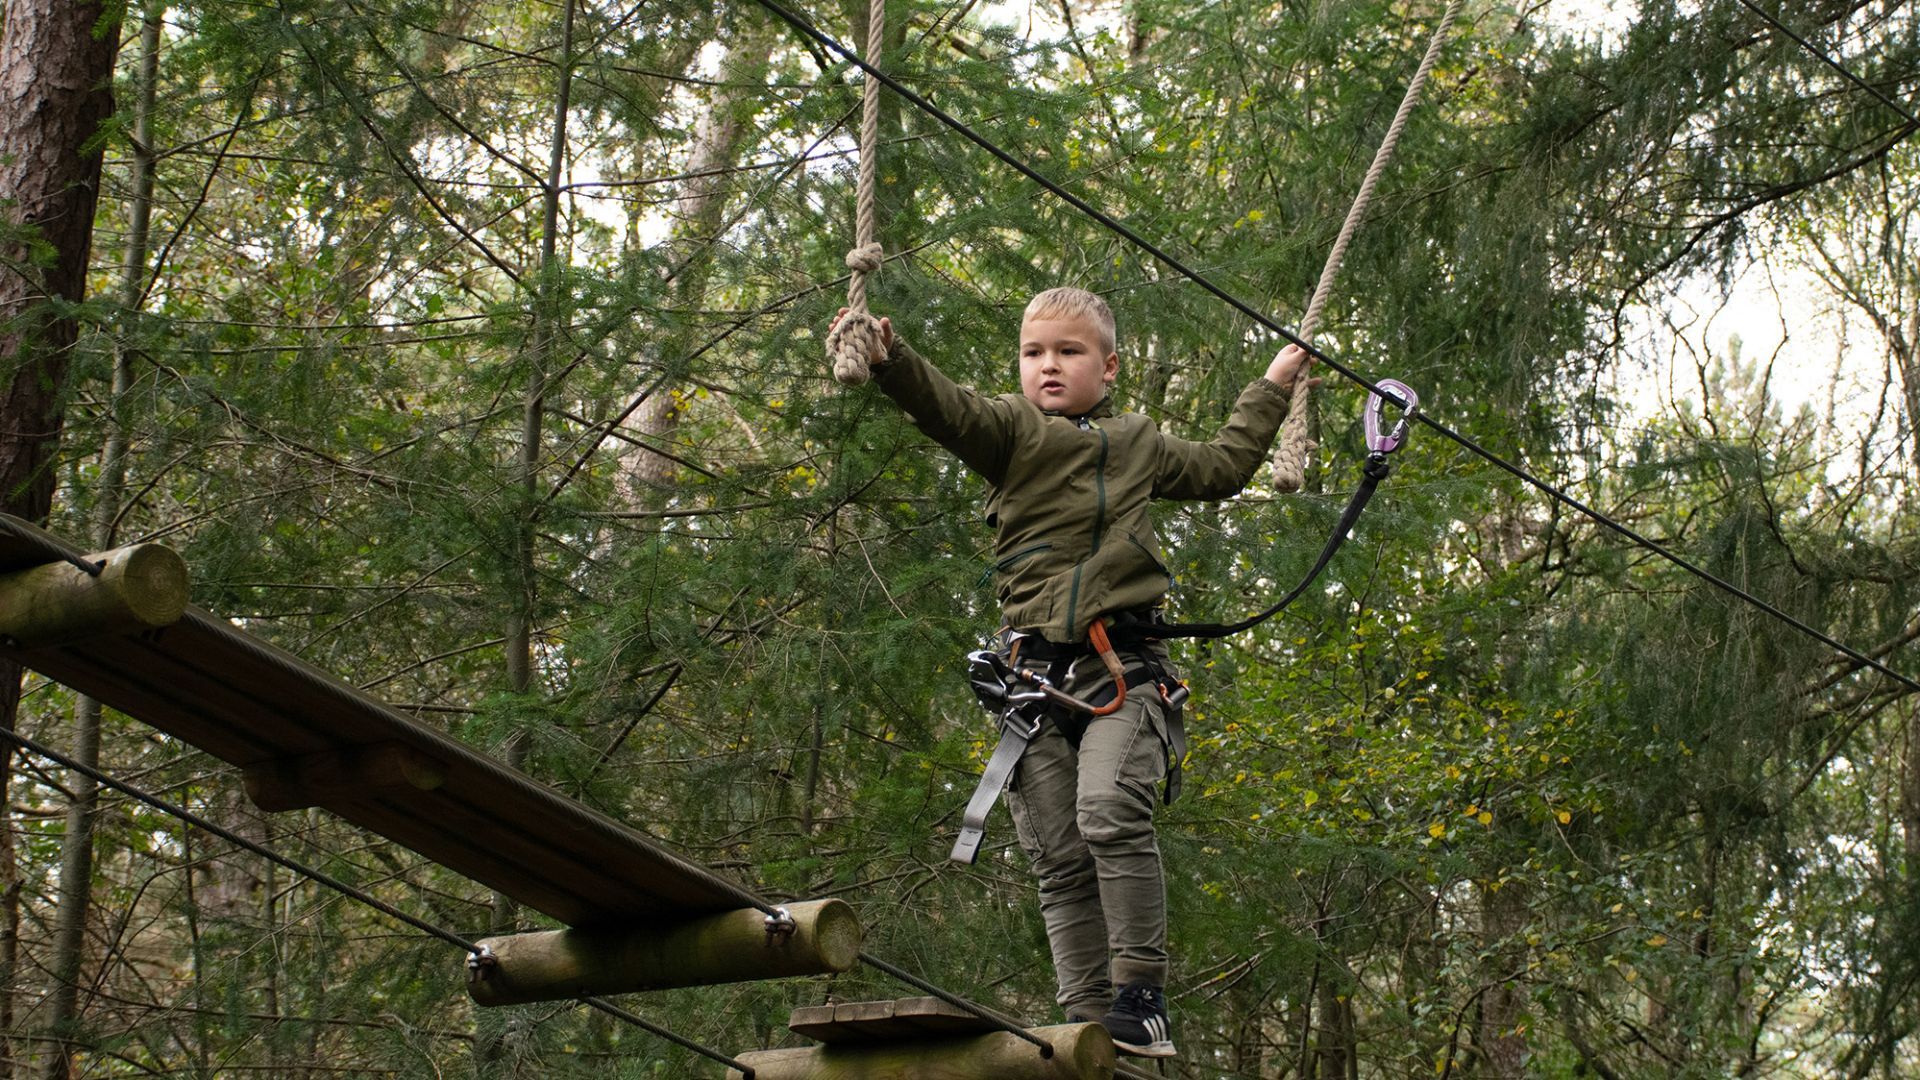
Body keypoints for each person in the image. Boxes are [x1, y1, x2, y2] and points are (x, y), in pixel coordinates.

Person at [832, 287, 1315, 1058]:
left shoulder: (1139, 443)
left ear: (1109, 367)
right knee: (1058, 861)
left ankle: (1141, 995)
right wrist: (891, 359)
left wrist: (1273, 384)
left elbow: (1223, 466)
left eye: (1068, 352)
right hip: (1032, 682)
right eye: (1034, 353)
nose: (1048, 366)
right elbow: (946, 408)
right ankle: (1086, 1026)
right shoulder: (1011, 432)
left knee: (1108, 813)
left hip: (1123, 671)